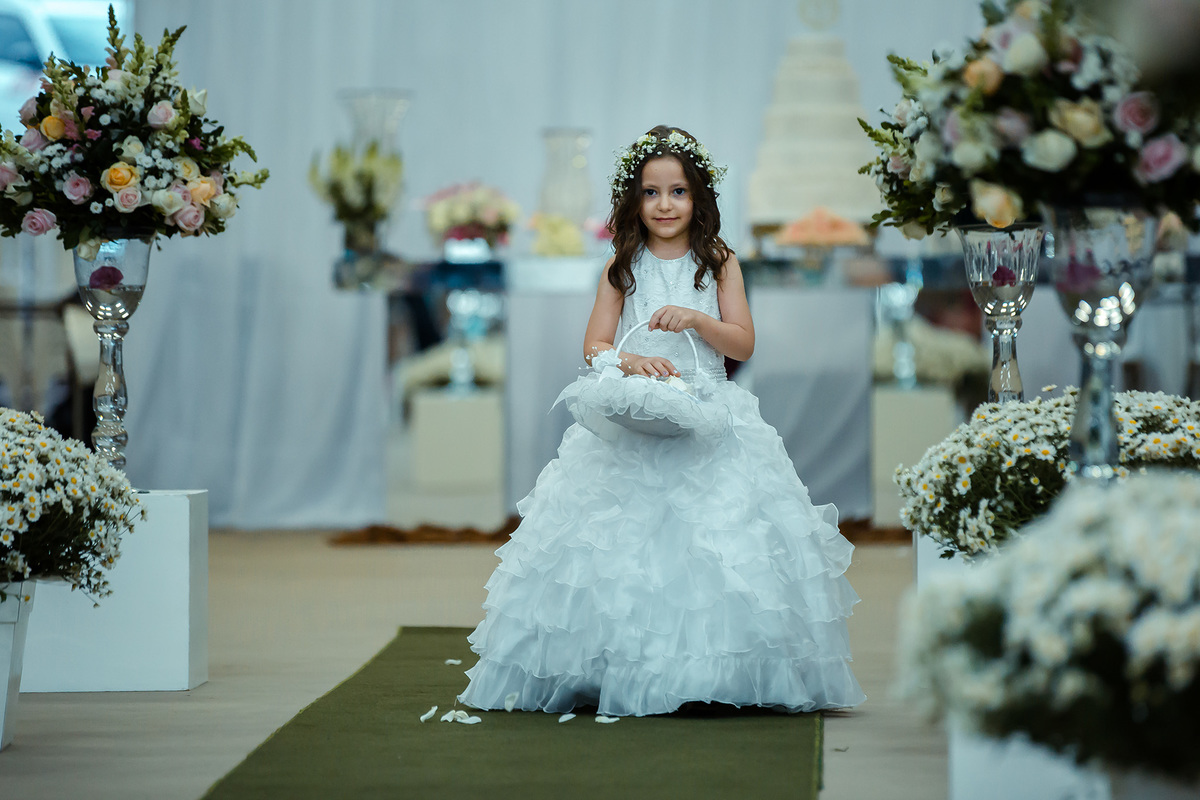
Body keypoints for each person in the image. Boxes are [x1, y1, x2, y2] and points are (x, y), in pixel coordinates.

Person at [458, 125, 865, 716]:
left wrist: (697, 320)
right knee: (620, 544)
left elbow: (743, 343)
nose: (665, 205)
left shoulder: (719, 262)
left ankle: (719, 667)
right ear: (634, 199)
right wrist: (631, 360)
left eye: (677, 192)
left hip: (708, 411)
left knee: (716, 542)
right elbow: (595, 345)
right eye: (651, 193)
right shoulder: (621, 264)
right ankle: (615, 662)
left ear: (698, 197)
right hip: (637, 413)